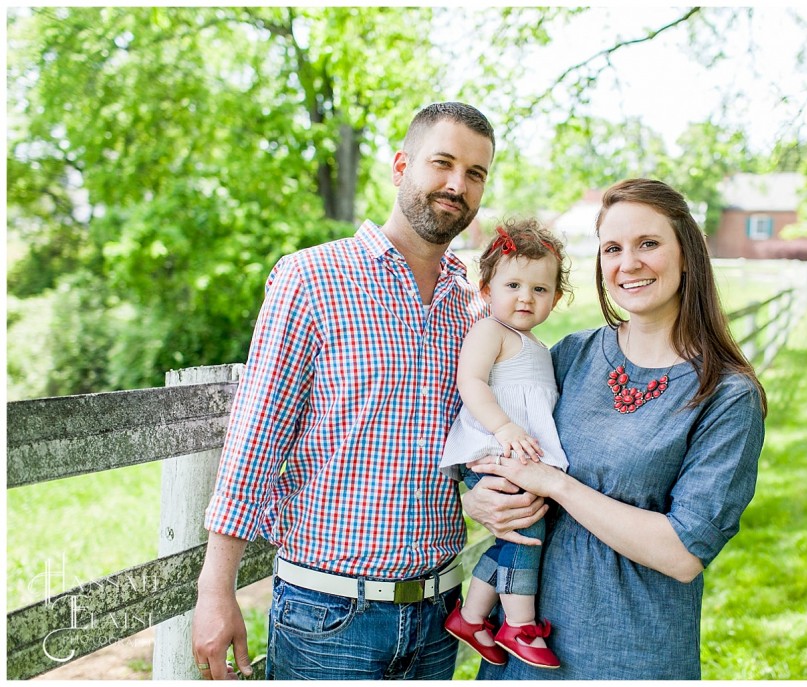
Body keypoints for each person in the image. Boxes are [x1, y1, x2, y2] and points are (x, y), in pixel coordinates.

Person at [191, 102, 547, 681]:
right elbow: (254, 443)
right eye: (443, 163)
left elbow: (468, 434)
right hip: (329, 615)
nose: (458, 184)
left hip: (440, 614)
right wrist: (216, 590)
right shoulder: (309, 279)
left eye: (476, 173)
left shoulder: (478, 310)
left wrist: (477, 493)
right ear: (402, 165)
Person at [464, 178, 766, 680]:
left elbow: (684, 553)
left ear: (687, 253)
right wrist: (480, 499)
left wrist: (557, 484)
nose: (629, 263)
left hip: (628, 652)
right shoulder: (570, 356)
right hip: (522, 648)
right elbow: (489, 432)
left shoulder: (727, 395)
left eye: (648, 243)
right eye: (612, 248)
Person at [438, 218, 572, 670]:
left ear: (555, 297)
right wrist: (503, 428)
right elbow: (471, 383)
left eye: (540, 289)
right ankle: (518, 623)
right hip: (495, 449)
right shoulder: (489, 332)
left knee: (514, 533)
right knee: (527, 533)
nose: (525, 297)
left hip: (515, 452)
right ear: (486, 288)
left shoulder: (535, 343)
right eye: (513, 284)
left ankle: (472, 617)